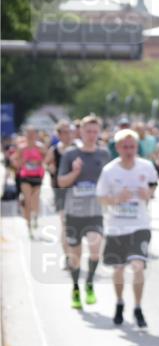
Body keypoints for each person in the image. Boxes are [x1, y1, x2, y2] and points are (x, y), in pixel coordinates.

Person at [95, 129, 158, 327]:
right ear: (118, 148)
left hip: (140, 224)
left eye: (132, 146)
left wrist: (147, 193)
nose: (129, 150)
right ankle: (120, 302)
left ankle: (138, 307)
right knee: (119, 268)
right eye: (125, 146)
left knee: (138, 264)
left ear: (137, 147)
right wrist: (116, 199)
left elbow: (153, 187)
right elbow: (101, 199)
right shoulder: (110, 170)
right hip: (116, 226)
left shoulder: (146, 167)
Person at [57, 115, 111, 309]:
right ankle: (75, 288)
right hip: (74, 213)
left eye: (95, 131)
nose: (91, 135)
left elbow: (110, 181)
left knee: (96, 250)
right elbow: (61, 182)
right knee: (75, 256)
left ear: (99, 133)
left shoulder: (104, 154)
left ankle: (89, 284)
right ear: (80, 132)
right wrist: (75, 173)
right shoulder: (70, 155)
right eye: (88, 131)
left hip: (95, 212)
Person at [45, 121, 74, 263]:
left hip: (77, 191)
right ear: (59, 134)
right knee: (65, 223)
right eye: (64, 132)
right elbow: (47, 162)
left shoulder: (77, 148)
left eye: (69, 131)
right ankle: (67, 256)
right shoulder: (55, 150)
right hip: (60, 189)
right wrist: (51, 168)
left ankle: (75, 253)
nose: (67, 134)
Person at [14, 126, 46, 237]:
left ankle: (35, 216)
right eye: (29, 134)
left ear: (36, 135)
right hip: (25, 176)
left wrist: (37, 161)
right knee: (27, 201)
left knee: (34, 200)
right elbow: (16, 162)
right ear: (26, 135)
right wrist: (23, 161)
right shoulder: (22, 148)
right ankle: (28, 227)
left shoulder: (40, 147)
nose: (31, 136)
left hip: (37, 177)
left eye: (33, 134)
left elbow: (46, 160)